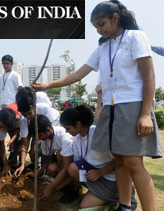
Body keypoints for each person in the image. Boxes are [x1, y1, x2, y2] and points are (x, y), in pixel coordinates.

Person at [33, 1, 162, 210]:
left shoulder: (135, 37)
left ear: (115, 18)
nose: (99, 30)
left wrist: (145, 114)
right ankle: (125, 205)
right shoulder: (104, 47)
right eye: (96, 27)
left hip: (131, 105)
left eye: (102, 24)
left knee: (133, 164)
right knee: (119, 160)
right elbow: (78, 74)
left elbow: (149, 76)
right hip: (111, 108)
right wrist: (48, 85)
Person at [28, 115, 77, 203]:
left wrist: (51, 187)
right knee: (51, 168)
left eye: (40, 135)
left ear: (48, 129)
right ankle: (63, 186)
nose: (39, 139)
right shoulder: (45, 138)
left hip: (75, 167)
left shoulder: (64, 137)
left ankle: (73, 188)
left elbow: (66, 167)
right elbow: (48, 159)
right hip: (65, 166)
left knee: (60, 156)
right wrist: (38, 173)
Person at [14, 87, 60, 176]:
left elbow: (46, 133)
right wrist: (23, 164)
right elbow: (24, 143)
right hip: (37, 129)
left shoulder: (44, 108)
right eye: (24, 114)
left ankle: (48, 170)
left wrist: (34, 146)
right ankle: (40, 168)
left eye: (30, 113)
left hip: (51, 123)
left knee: (45, 147)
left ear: (34, 107)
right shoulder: (24, 119)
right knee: (35, 150)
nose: (28, 116)